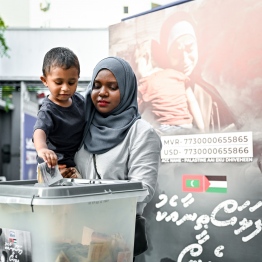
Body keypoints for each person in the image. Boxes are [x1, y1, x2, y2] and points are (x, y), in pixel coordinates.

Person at [62, 56, 162, 259]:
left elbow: (143, 190)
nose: (102, 93)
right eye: (97, 86)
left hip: (118, 240)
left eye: (113, 86)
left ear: (126, 91)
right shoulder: (82, 127)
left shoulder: (142, 133)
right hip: (76, 235)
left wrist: (91, 191)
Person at [138, 11, 239, 133]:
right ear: (166, 54)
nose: (185, 59)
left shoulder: (209, 95)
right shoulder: (153, 91)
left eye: (189, 48)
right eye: (176, 52)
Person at [33, 47, 85, 177]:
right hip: (52, 165)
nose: (65, 88)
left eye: (71, 82)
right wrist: (42, 149)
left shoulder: (80, 101)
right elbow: (39, 132)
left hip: (76, 164)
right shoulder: (48, 110)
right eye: (58, 82)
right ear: (45, 81)